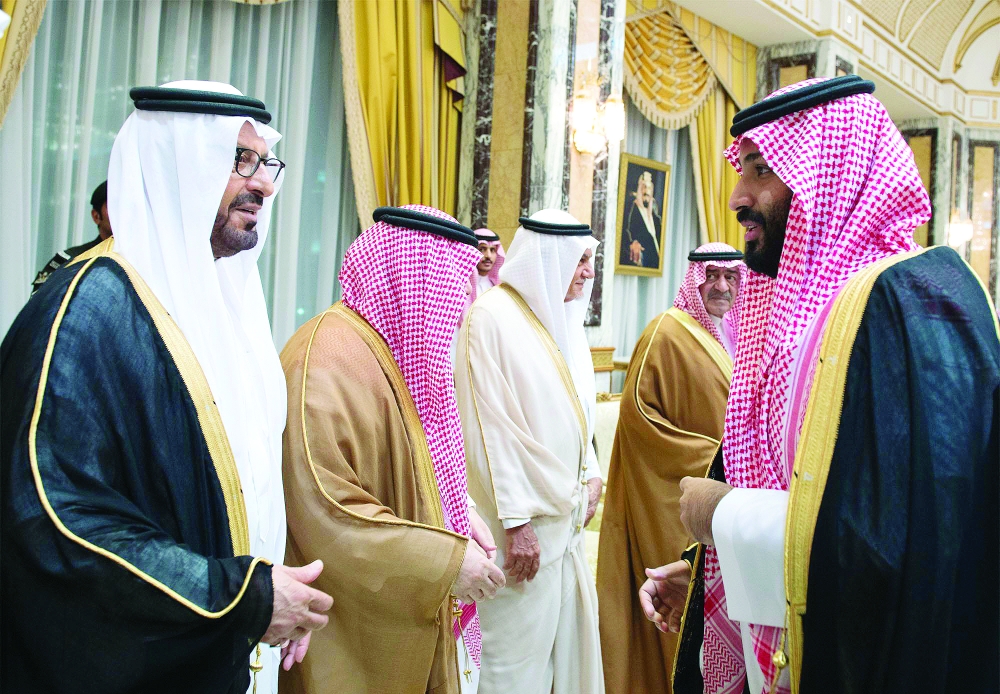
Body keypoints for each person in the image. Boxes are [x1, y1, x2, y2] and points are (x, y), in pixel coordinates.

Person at [640, 75, 999, 694]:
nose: (738, 196)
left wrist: (723, 514)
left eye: (762, 169)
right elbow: (792, 487)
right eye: (742, 170)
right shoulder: (791, 313)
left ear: (830, 174)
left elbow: (896, 547)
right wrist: (711, 569)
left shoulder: (903, 308)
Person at [1, 81, 333, 694]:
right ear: (175, 163)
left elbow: (246, 482)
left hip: (226, 649)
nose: (263, 185)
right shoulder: (88, 312)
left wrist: (274, 593)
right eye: (240, 160)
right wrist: (241, 596)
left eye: (266, 164)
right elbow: (54, 518)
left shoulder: (231, 304)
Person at [280, 205, 505, 694]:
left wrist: (458, 513)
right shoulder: (326, 361)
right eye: (454, 286)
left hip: (398, 612)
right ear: (412, 282)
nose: (463, 305)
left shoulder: (389, 351)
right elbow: (327, 510)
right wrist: (446, 561)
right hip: (349, 631)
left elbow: (418, 458)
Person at [455, 209, 605, 694]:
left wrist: (591, 471)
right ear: (547, 258)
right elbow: (488, 427)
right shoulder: (490, 318)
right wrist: (517, 522)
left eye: (590, 260)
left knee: (554, 665)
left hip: (562, 529)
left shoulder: (559, 320)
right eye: (580, 260)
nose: (588, 272)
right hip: (518, 537)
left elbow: (575, 411)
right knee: (511, 669)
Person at [596, 242, 743, 694]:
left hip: (735, 503)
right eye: (711, 275)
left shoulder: (742, 331)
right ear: (693, 280)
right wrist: (718, 460)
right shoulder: (667, 332)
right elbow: (640, 419)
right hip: (675, 499)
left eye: (731, 276)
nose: (721, 286)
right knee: (678, 615)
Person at [31, 180, 114, 293]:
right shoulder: (69, 261)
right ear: (96, 216)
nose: (123, 213)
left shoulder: (138, 259)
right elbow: (41, 300)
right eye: (114, 205)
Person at [620, 171, 662, 269]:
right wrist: (632, 243)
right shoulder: (631, 209)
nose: (646, 191)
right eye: (644, 187)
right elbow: (622, 230)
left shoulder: (656, 219)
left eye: (649, 188)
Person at [471, 228, 505, 301]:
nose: (488, 256)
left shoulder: (498, 287)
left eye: (492, 250)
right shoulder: (464, 287)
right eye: (482, 249)